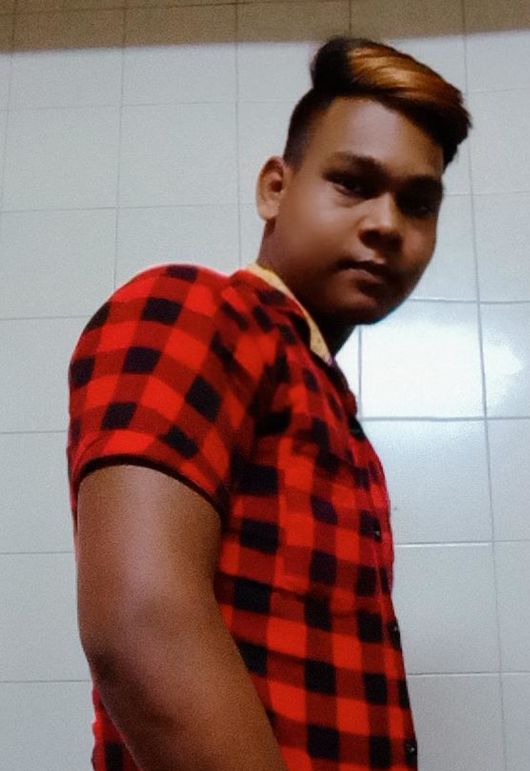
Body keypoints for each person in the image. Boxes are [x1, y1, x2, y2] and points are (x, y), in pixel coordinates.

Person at [66, 35, 471, 771]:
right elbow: (138, 622)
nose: (387, 224)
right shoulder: (194, 309)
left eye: (418, 203)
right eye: (353, 182)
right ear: (275, 189)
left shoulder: (325, 401)